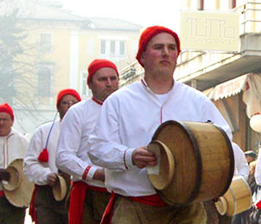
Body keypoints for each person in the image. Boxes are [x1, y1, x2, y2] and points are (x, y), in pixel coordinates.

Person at [88, 26, 232, 224]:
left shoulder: (197, 100)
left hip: (187, 210)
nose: (166, 52)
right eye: (158, 47)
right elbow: (97, 148)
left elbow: (224, 138)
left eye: (172, 48)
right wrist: (130, 156)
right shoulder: (119, 101)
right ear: (143, 57)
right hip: (134, 208)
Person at [56, 59, 118, 224]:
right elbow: (63, 156)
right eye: (102, 79)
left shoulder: (129, 110)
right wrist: (95, 173)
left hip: (122, 193)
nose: (109, 84)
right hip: (89, 194)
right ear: (89, 84)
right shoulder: (78, 112)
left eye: (113, 78)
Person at [24, 88, 81, 224]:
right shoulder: (43, 132)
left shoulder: (88, 131)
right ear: (58, 108)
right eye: (65, 103)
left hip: (76, 192)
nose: (70, 106)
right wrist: (45, 175)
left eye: (74, 103)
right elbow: (29, 163)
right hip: (48, 193)